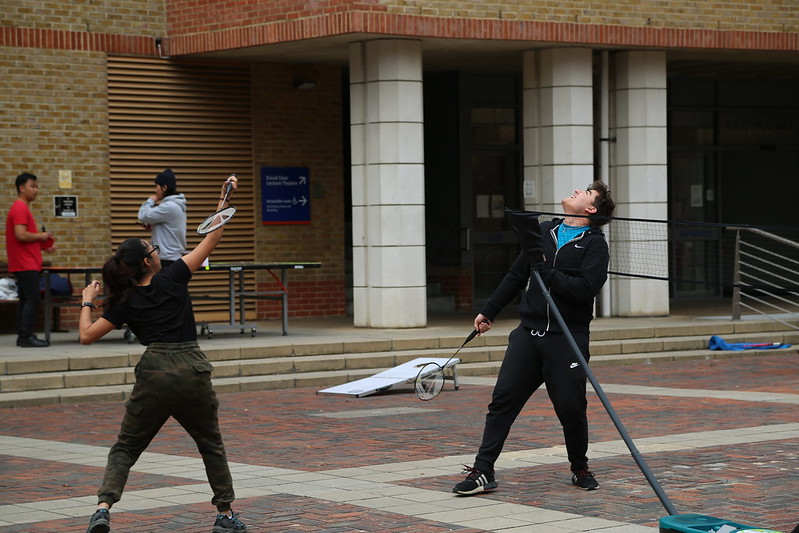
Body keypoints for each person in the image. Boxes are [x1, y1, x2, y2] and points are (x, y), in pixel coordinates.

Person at [79, 175, 246, 533]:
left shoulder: (123, 301)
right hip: (191, 368)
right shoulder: (173, 277)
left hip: (153, 372)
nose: (156, 250)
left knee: (125, 447)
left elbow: (86, 336)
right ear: (147, 262)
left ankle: (103, 508)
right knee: (210, 445)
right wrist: (223, 199)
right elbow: (212, 238)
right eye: (151, 249)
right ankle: (226, 516)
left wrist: (87, 301)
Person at [453, 180, 615, 496]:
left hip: (567, 337)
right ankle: (483, 470)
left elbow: (585, 289)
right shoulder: (543, 232)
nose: (578, 191)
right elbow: (518, 275)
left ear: (591, 209)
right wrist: (490, 310)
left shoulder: (595, 244)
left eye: (587, 193)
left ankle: (579, 467)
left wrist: (546, 271)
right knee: (501, 403)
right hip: (528, 334)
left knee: (571, 409)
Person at [5, 172, 54, 348]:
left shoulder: (22, 208)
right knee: (32, 299)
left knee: (26, 299)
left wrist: (43, 245)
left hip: (25, 262)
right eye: (32, 186)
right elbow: (20, 235)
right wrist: (42, 235)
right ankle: (26, 337)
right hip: (25, 263)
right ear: (21, 188)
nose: (36, 190)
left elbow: (25, 238)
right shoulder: (20, 207)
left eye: (36, 186)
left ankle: (23, 335)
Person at [137, 168, 187, 268]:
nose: (156, 190)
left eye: (157, 186)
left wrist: (151, 200)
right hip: (171, 258)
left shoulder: (169, 206)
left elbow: (142, 215)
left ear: (164, 187)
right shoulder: (175, 205)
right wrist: (154, 226)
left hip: (167, 260)